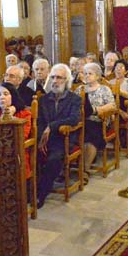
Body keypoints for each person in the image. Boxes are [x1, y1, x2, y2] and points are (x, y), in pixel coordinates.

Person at [37, 64, 82, 207]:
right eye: (53, 77)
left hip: (64, 138)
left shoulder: (74, 99)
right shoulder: (43, 99)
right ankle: (30, 191)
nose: (55, 81)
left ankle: (41, 194)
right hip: (45, 139)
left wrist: (52, 126)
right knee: (31, 156)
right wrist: (40, 139)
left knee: (53, 159)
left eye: (59, 78)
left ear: (67, 80)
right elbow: (39, 121)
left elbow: (74, 119)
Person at [76, 62, 117, 169]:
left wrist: (96, 110)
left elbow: (112, 106)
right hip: (81, 120)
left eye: (90, 73)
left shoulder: (104, 89)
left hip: (99, 120)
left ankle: (85, 168)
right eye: (85, 73)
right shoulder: (80, 89)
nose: (87, 76)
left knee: (91, 133)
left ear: (98, 76)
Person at [0, 83, 33, 177]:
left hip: (16, 151)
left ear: (13, 96)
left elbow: (23, 135)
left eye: (5, 94)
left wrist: (9, 116)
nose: (2, 97)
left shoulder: (24, 113)